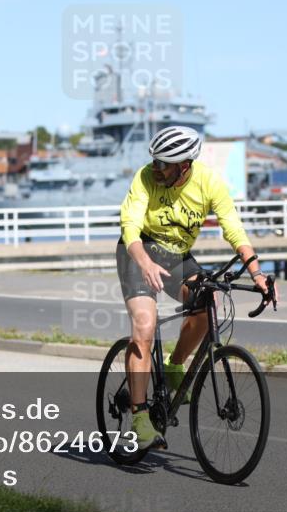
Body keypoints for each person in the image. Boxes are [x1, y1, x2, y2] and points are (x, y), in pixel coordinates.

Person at [117, 126, 276, 449]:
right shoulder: (146, 177)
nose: (156, 169)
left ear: (184, 166)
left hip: (176, 257)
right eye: (155, 162)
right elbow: (130, 225)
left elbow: (234, 228)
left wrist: (258, 274)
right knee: (145, 327)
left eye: (164, 164)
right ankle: (139, 417)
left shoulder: (209, 182)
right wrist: (145, 263)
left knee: (208, 302)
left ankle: (175, 365)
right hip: (138, 252)